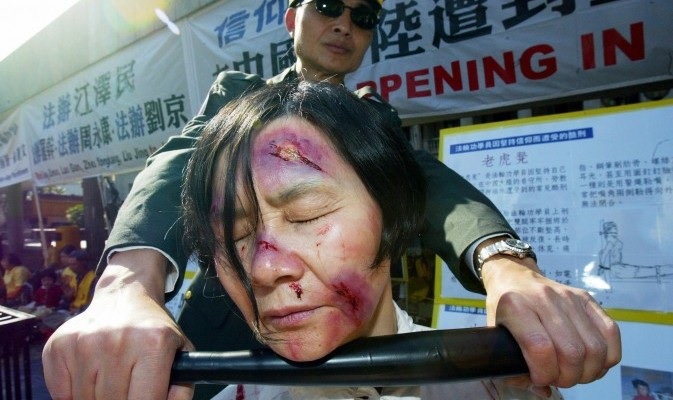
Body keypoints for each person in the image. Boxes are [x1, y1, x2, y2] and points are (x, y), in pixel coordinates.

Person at [42, 0, 621, 399]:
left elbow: (431, 182)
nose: (344, 23)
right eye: (327, 6)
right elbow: (173, 167)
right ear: (292, 17)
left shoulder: (375, 121)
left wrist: (506, 266)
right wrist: (125, 287)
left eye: (363, 16)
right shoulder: (238, 99)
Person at [186, 80, 566, 399]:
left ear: (391, 215)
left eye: (307, 214)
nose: (264, 268)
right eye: (235, 235)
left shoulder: (500, 388)